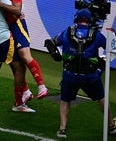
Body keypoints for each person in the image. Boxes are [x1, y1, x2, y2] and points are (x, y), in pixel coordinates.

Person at [47, 8, 116, 138]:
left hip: (69, 75)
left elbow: (51, 43)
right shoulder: (96, 35)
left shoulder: (67, 32)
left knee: (64, 100)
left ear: (77, 19)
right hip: (90, 76)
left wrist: (55, 55)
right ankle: (111, 126)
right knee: (101, 99)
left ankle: (62, 129)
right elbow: (111, 47)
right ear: (89, 20)